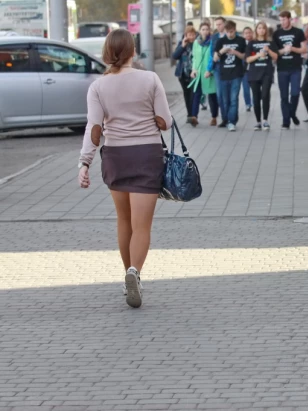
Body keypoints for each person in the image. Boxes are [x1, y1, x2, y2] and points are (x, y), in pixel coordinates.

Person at [77, 29, 172, 309]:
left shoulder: (98, 87)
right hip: (146, 154)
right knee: (142, 225)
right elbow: (164, 121)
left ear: (108, 52)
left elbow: (94, 129)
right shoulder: (150, 79)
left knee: (124, 221)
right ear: (132, 51)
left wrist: (85, 163)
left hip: (115, 156)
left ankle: (127, 275)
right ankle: (135, 273)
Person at [273, 10, 306, 130]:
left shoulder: (298, 32)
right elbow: (274, 52)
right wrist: (283, 51)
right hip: (282, 68)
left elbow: (304, 49)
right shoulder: (276, 34)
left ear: (290, 19)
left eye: (284, 19)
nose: (282, 22)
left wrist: (292, 49)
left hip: (295, 67)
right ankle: (286, 121)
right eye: (280, 20)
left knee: (295, 93)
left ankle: (292, 113)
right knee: (284, 96)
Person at [213, 20, 246, 132]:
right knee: (224, 100)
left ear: (235, 30)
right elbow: (215, 58)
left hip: (236, 74)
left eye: (232, 32)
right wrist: (222, 51)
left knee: (234, 99)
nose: (230, 34)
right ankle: (226, 120)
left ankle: (232, 122)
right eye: (228, 32)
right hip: (223, 74)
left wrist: (235, 52)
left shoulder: (241, 40)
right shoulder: (220, 41)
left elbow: (244, 56)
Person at [245, 21, 278, 131]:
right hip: (254, 74)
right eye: (259, 28)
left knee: (265, 96)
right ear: (256, 30)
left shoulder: (270, 43)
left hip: (266, 73)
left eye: (263, 28)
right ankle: (258, 121)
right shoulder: (251, 43)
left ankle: (265, 120)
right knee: (256, 98)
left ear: (266, 30)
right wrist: (259, 55)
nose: (261, 30)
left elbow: (275, 57)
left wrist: (268, 50)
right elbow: (248, 59)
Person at [190, 22, 218, 127]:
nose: (205, 31)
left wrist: (210, 70)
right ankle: (194, 116)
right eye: (203, 29)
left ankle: (214, 117)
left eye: (207, 29)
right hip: (198, 73)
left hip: (209, 72)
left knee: (212, 96)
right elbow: (195, 58)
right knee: (196, 94)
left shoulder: (212, 42)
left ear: (209, 30)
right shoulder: (196, 42)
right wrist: (193, 70)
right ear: (200, 30)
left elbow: (213, 57)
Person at [172, 26, 197, 123]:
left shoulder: (197, 44)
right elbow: (175, 56)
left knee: (193, 94)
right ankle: (189, 115)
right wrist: (182, 45)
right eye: (189, 35)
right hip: (183, 73)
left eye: (193, 35)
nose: (191, 37)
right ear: (185, 35)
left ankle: (193, 114)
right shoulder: (181, 44)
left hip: (194, 73)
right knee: (187, 94)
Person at [208, 16, 228, 128]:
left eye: (220, 24)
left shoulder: (229, 35)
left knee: (229, 95)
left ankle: (230, 117)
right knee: (220, 94)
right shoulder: (214, 37)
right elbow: (211, 53)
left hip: (229, 67)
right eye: (217, 25)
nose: (218, 26)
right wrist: (209, 68)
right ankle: (225, 118)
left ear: (224, 24)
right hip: (217, 68)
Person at [242, 27, 254, 112]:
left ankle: (255, 102)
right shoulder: (242, 44)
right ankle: (248, 104)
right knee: (246, 88)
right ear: (243, 34)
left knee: (255, 88)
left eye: (249, 32)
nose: (248, 34)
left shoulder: (255, 43)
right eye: (246, 33)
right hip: (244, 69)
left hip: (254, 69)